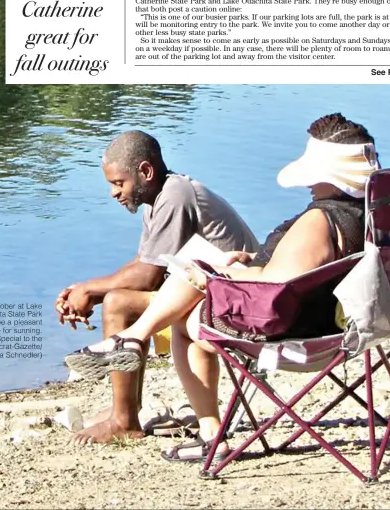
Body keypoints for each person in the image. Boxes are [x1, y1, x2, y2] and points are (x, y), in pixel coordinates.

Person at [64, 113, 379, 457]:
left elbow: (274, 286)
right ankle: (136, 355)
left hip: (282, 326)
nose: (308, 184)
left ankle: (150, 402)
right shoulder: (368, 216)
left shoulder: (319, 222)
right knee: (188, 276)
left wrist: (216, 274)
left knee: (163, 299)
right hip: (324, 316)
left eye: (313, 176)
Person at [55, 129, 258, 444]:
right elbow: (142, 263)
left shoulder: (175, 196)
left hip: (238, 304)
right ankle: (125, 411)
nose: (113, 193)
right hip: (210, 295)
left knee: (119, 303)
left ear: (145, 172)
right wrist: (85, 293)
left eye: (118, 183)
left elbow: (147, 276)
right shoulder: (158, 199)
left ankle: (124, 420)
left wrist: (92, 291)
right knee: (117, 298)